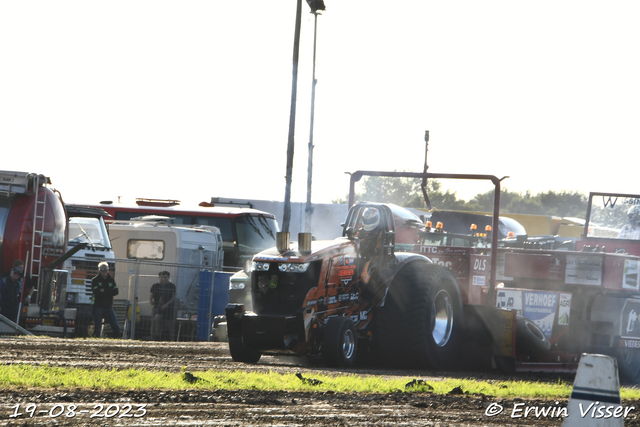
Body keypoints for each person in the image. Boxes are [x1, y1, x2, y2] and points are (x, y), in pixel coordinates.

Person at [91, 261, 121, 338]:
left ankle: (117, 343)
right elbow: (97, 293)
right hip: (97, 307)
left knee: (116, 327)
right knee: (97, 329)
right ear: (99, 270)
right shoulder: (95, 280)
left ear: (108, 270)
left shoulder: (111, 280)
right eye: (102, 270)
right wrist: (109, 291)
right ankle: (94, 343)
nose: (104, 271)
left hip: (108, 307)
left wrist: (104, 290)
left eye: (105, 269)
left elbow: (116, 291)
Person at [150, 271, 176, 341]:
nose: (164, 279)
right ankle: (157, 337)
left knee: (169, 324)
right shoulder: (158, 286)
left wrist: (166, 305)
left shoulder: (172, 286)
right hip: (160, 308)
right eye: (163, 277)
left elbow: (173, 297)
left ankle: (172, 339)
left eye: (165, 277)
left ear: (168, 277)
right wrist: (155, 305)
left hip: (169, 308)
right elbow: (155, 297)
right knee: (156, 320)